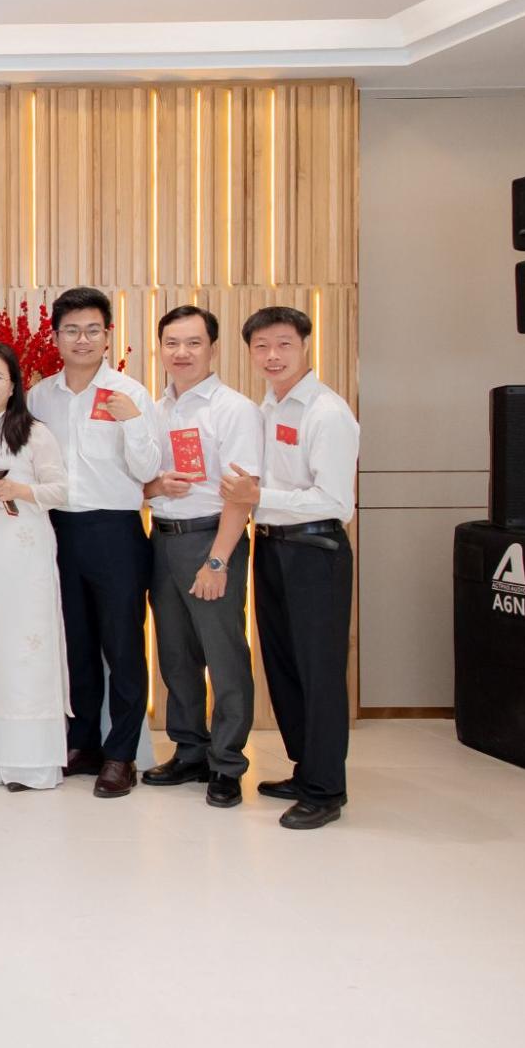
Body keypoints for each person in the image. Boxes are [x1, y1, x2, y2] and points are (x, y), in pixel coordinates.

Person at [220, 306, 360, 830]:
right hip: (274, 547)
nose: (272, 355)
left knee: (319, 671)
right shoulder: (269, 405)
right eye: (261, 346)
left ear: (305, 345)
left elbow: (336, 501)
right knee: (284, 665)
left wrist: (260, 497)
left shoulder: (327, 412)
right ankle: (307, 770)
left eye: (283, 344)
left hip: (315, 551)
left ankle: (326, 790)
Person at [26, 285, 160, 799]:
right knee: (75, 643)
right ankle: (83, 742)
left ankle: (122, 754)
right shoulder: (40, 397)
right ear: (56, 337)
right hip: (58, 529)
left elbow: (148, 469)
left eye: (92, 330)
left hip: (115, 531)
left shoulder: (131, 393)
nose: (81, 339)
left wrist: (131, 422)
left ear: (108, 336)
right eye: (71, 330)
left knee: (122, 646)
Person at [139, 306, 262, 808]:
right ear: (160, 349)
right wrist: (155, 486)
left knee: (223, 655)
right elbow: (140, 482)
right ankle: (190, 750)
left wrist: (217, 561)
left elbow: (242, 494)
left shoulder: (234, 410)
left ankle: (227, 763)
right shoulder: (156, 409)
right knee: (175, 654)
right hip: (162, 539)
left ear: (213, 348)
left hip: (211, 538)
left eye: (193, 342)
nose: (182, 352)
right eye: (171, 342)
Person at [0, 342, 71, 791]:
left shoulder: (33, 433)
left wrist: (22, 490)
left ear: (13, 385)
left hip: (23, 556)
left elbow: (61, 489)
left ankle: (29, 762)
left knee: (22, 651)